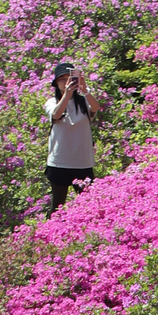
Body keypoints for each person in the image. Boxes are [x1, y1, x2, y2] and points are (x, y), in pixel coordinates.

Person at [44, 62, 108, 214]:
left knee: (89, 207)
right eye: (62, 79)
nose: (66, 82)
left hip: (82, 163)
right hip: (59, 163)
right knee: (57, 208)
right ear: (56, 82)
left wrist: (85, 90)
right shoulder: (52, 102)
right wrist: (66, 95)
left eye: (70, 78)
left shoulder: (83, 102)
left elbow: (95, 107)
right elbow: (56, 114)